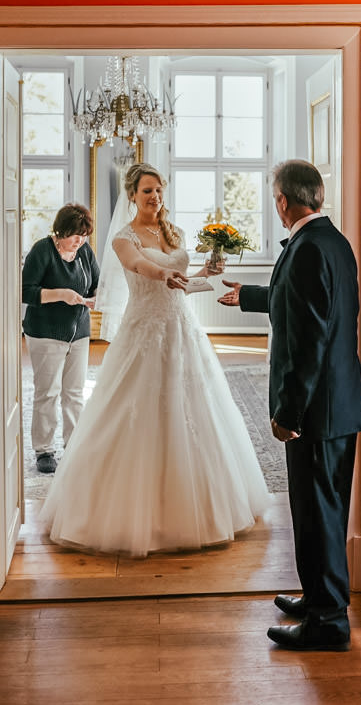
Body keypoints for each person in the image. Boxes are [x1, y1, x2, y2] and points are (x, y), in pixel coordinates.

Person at [38, 162, 268, 557]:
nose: (155, 198)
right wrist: (163, 274)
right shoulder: (123, 238)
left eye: (159, 190)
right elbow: (139, 266)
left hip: (182, 330)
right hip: (144, 331)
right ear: (133, 195)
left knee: (195, 412)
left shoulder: (172, 231)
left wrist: (205, 272)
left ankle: (200, 506)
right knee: (131, 411)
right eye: (147, 191)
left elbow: (183, 284)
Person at [219, 159, 361, 652]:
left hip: (316, 412)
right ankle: (320, 599)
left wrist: (289, 412)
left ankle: (328, 622)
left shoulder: (307, 249)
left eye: (273, 197)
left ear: (283, 200)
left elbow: (308, 340)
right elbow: (308, 302)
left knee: (316, 514)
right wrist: (248, 296)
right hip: (339, 405)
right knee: (323, 511)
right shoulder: (332, 241)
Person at [21, 203, 100, 474]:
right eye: (75, 235)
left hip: (79, 331)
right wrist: (61, 294)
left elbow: (96, 283)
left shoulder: (84, 251)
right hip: (45, 332)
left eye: (84, 235)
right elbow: (25, 291)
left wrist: (96, 298)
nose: (80, 240)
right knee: (48, 392)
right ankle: (44, 450)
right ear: (61, 231)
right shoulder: (42, 250)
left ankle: (74, 445)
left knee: (74, 393)